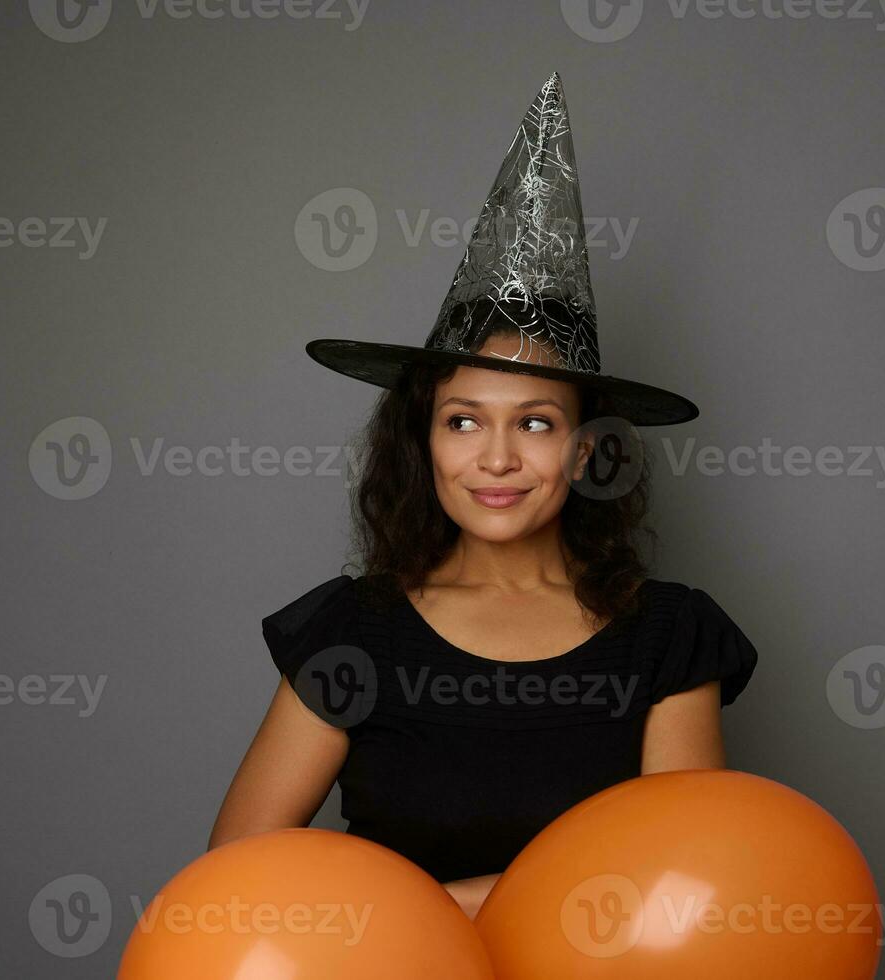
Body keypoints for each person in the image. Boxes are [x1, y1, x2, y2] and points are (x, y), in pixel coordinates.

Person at [208, 72, 758, 921]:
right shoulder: (351, 632)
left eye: (535, 424)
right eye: (463, 422)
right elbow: (235, 879)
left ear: (587, 449)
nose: (495, 458)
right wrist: (489, 911)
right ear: (422, 439)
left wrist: (442, 907)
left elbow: (682, 882)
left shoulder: (668, 638)